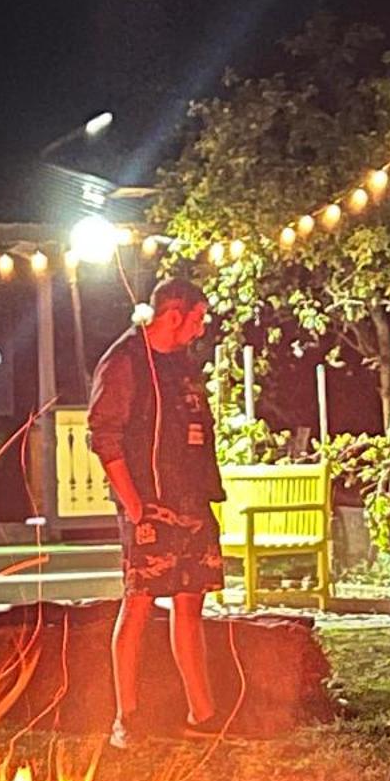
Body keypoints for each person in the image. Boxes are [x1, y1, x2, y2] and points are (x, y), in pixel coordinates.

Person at [87, 277, 226, 748]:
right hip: (150, 505)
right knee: (140, 602)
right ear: (173, 315)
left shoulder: (183, 364)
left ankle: (202, 714)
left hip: (192, 500)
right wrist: (135, 505)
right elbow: (104, 435)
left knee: (190, 602)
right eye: (198, 317)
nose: (202, 327)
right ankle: (127, 718)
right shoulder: (126, 360)